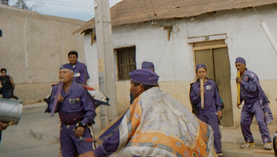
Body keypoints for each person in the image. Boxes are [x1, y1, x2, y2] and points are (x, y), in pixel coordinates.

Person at [80, 69, 217, 157]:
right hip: (177, 150)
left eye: (131, 84)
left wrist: (98, 153)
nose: (130, 88)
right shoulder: (165, 96)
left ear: (139, 87)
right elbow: (189, 119)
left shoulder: (141, 101)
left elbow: (124, 133)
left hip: (157, 151)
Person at [49, 65, 98, 157]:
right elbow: (52, 110)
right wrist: (58, 102)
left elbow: (90, 110)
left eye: (65, 72)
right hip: (64, 130)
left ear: (72, 75)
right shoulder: (56, 89)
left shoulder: (80, 89)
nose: (61, 75)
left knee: (87, 154)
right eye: (60, 72)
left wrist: (82, 125)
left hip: (79, 129)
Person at [234, 57, 273, 150]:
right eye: (236, 66)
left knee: (260, 120)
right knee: (243, 121)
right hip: (247, 103)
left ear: (245, 65)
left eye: (239, 65)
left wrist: (242, 82)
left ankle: (267, 141)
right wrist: (239, 100)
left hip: (256, 101)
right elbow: (241, 90)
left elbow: (253, 88)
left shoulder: (251, 75)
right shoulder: (239, 77)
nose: (238, 67)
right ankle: (249, 141)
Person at [190, 64, 224, 156]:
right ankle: (205, 152)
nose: (201, 74)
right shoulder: (194, 86)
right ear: (197, 73)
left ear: (206, 72)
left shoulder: (212, 83)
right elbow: (192, 100)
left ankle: (218, 151)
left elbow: (217, 97)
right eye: (199, 72)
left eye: (203, 72)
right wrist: (199, 95)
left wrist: (219, 109)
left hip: (211, 111)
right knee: (203, 133)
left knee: (215, 132)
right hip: (201, 112)